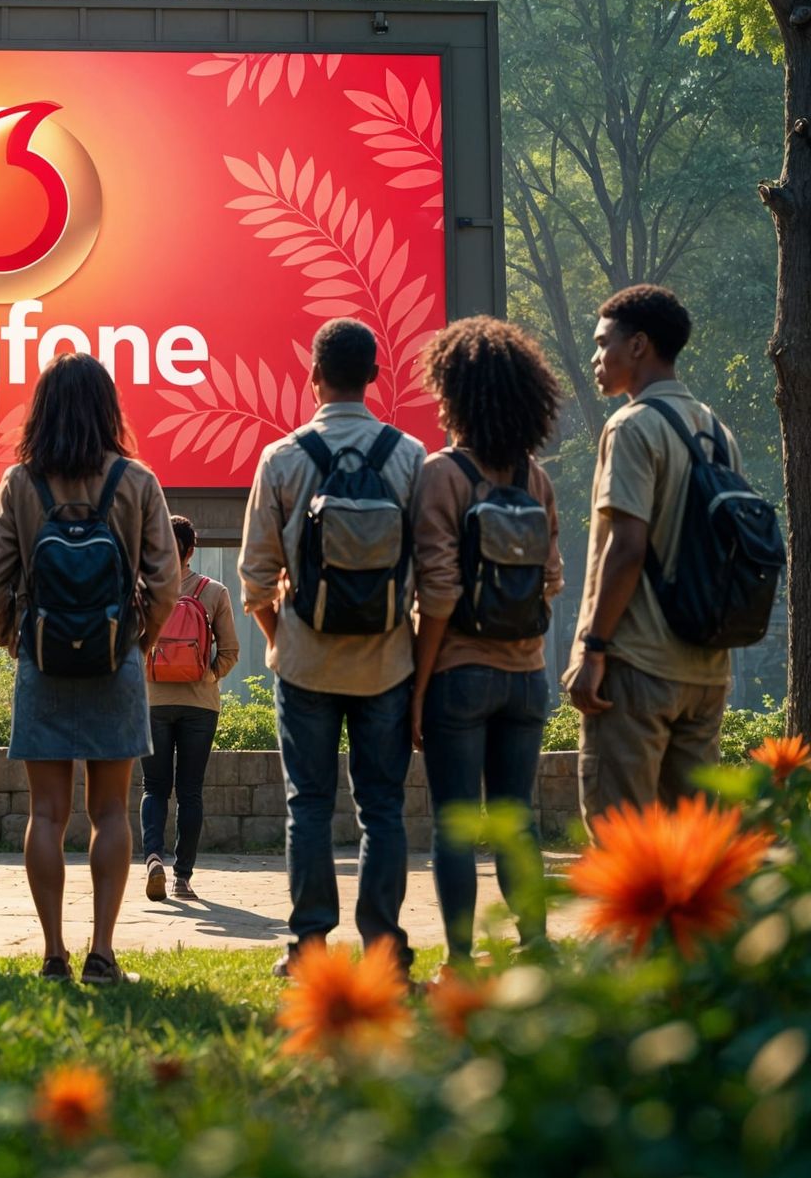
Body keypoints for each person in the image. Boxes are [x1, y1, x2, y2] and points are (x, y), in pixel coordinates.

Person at [0, 352, 179, 986]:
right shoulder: (137, 480)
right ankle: (104, 956)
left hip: (43, 663)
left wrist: (17, 640)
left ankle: (54, 955)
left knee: (48, 813)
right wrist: (138, 641)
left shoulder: (20, 483)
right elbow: (166, 581)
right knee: (112, 812)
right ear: (107, 408)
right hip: (115, 663)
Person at [238, 318, 425, 980]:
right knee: (382, 809)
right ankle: (384, 950)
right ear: (374, 377)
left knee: (308, 806)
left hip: (305, 662)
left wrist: (281, 639)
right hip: (388, 662)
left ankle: (308, 947)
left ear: (312, 375)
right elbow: (429, 575)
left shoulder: (283, 457)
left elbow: (256, 579)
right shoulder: (409, 456)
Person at [410, 318, 564, 965]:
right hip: (527, 677)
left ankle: (461, 961)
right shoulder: (536, 479)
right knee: (518, 820)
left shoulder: (441, 473)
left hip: (459, 675)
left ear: (459, 396)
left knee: (455, 824)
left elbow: (438, 593)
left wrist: (419, 688)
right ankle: (536, 950)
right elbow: (551, 580)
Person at [567, 285, 744, 818]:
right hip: (707, 670)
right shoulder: (718, 431)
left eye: (603, 344)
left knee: (623, 844)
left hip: (637, 668)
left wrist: (593, 650)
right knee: (693, 854)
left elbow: (626, 548)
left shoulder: (632, 426)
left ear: (639, 345)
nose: (596, 358)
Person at [140, 514, 240, 902]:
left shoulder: (144, 589)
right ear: (191, 550)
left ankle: (152, 858)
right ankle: (182, 878)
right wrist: (207, 677)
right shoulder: (213, 591)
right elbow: (230, 651)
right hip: (200, 704)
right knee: (190, 791)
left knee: (154, 787)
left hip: (153, 701)